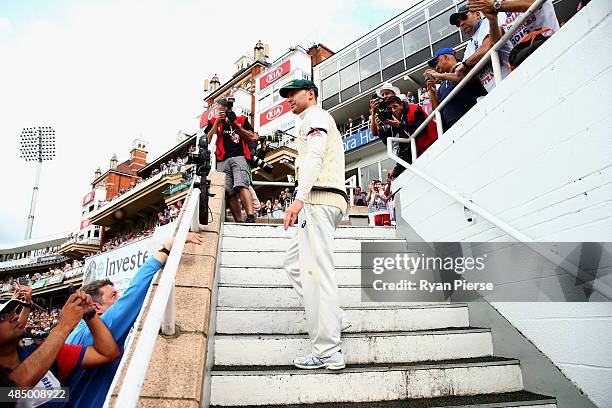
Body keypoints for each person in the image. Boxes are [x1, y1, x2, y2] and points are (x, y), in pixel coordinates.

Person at [64, 233, 205, 408]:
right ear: (95, 307)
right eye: (114, 296)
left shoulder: (75, 334)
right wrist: (167, 247)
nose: (119, 298)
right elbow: (134, 294)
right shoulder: (97, 330)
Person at [280, 79, 349, 370]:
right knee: (293, 263)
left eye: (293, 93)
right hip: (320, 200)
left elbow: (316, 156)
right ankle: (335, 318)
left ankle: (328, 350)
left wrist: (300, 198)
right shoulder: (311, 119)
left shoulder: (316, 116)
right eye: (286, 95)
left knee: (316, 274)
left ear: (311, 94)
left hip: (319, 200)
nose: (289, 99)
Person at [0, 293, 119, 407]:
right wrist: (63, 326)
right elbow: (10, 392)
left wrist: (89, 314)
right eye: (2, 317)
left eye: (12, 312)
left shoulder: (41, 350)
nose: (15, 317)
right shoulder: (46, 351)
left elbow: (107, 354)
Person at [205, 97, 258, 223]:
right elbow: (208, 140)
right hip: (221, 158)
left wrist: (234, 125)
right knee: (229, 191)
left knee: (242, 184)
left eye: (227, 107)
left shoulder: (241, 119)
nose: (225, 110)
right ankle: (239, 221)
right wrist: (217, 123)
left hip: (239, 156)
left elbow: (252, 137)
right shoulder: (213, 121)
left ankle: (250, 216)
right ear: (218, 108)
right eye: (222, 108)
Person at [449, 5, 512, 92]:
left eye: (464, 17)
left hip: (512, 76)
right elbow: (464, 74)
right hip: (494, 90)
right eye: (458, 23)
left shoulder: (487, 22)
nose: (461, 23)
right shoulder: (469, 46)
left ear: (477, 15)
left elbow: (486, 48)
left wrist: (466, 64)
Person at [372, 95, 436, 177]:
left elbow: (420, 128)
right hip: (420, 150)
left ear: (401, 105)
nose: (393, 110)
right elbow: (387, 141)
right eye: (390, 108)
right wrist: (380, 128)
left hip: (433, 142)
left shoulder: (415, 108)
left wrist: (399, 125)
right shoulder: (394, 117)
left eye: (395, 106)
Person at [424, 48, 488, 130]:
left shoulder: (464, 65)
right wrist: (432, 94)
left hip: (475, 119)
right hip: (454, 128)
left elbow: (463, 76)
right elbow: (437, 111)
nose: (436, 67)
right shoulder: (443, 85)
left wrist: (440, 75)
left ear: (446, 57)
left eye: (437, 63)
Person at [467, 0, 559, 48]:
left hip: (551, 43)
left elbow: (533, 3)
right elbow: (495, 42)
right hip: (525, 57)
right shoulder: (497, 7)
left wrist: (496, 6)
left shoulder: (497, 6)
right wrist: (492, 20)